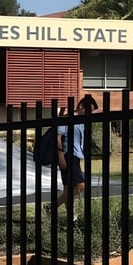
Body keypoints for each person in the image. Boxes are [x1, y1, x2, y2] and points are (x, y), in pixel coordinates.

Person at [55, 94, 98, 223]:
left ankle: (71, 217)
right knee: (81, 185)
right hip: (68, 155)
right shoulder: (69, 118)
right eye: (88, 110)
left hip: (76, 155)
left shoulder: (82, 122)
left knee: (68, 188)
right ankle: (54, 206)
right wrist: (60, 155)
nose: (89, 113)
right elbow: (58, 137)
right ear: (80, 107)